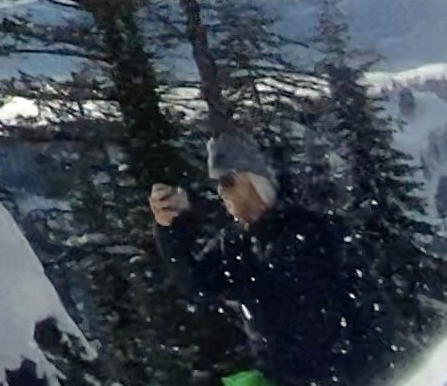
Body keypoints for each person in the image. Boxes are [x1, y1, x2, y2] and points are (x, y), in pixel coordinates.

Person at [151, 131, 362, 386]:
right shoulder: (234, 242)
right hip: (274, 373)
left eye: (227, 181)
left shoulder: (310, 229)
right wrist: (171, 229)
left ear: (257, 180)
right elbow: (198, 286)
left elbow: (345, 307)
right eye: (217, 183)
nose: (220, 191)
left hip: (330, 373)